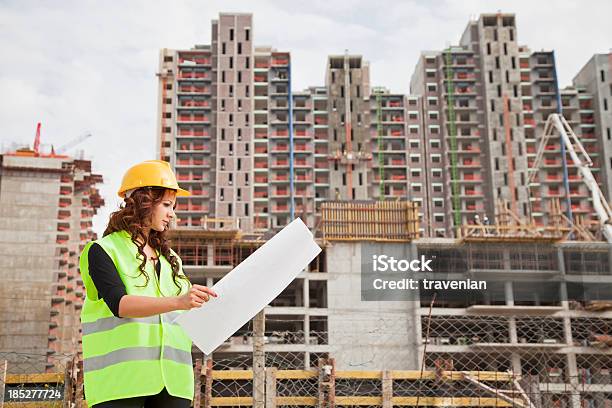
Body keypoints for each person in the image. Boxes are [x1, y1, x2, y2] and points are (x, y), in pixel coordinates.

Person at [79, 160, 217, 407]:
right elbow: (119, 304)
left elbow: (181, 314)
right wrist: (179, 301)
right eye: (166, 205)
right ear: (142, 202)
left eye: (172, 206)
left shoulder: (171, 259)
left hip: (173, 382)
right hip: (120, 384)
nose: (172, 214)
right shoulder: (103, 250)